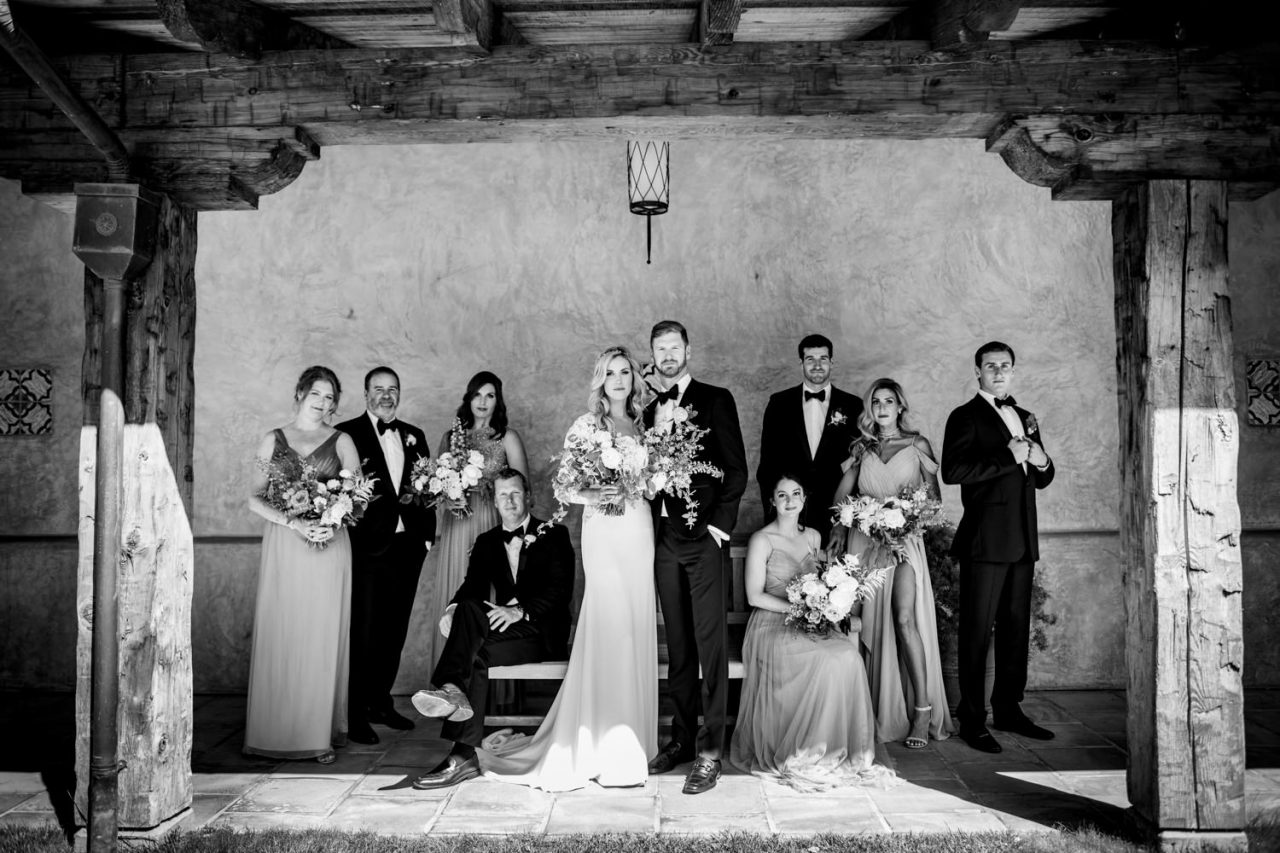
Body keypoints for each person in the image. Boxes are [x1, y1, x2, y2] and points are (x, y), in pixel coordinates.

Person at [477, 346, 658, 790]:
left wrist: (649, 481)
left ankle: (633, 736)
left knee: (634, 623)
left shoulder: (645, 425)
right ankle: (599, 739)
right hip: (604, 531)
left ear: (634, 379)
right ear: (601, 380)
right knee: (608, 620)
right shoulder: (586, 425)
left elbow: (653, 485)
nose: (619, 380)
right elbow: (563, 485)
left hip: (638, 528)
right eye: (610, 373)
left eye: (625, 372)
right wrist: (595, 494)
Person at [408, 468, 575, 788]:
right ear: (495, 502)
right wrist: (451, 611)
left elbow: (560, 590)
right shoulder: (486, 542)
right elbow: (472, 587)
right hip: (504, 634)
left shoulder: (554, 534)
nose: (510, 501)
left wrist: (519, 611)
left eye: (515, 493)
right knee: (469, 617)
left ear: (528, 497)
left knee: (473, 646)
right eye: (503, 495)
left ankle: (456, 724)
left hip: (541, 633)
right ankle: (460, 740)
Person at [730, 475, 892, 792]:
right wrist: (798, 609)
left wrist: (826, 603)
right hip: (772, 623)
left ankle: (836, 746)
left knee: (848, 657)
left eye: (796, 493)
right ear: (772, 501)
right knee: (822, 661)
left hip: (810, 620)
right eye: (782, 495)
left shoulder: (814, 536)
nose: (790, 500)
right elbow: (754, 596)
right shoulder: (762, 539)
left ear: (804, 499)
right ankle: (807, 748)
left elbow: (820, 581)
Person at [644, 320, 748, 795]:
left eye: (674, 347)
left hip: (705, 540)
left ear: (688, 350)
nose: (668, 355)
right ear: (653, 355)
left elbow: (736, 469)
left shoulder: (716, 399)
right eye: (660, 349)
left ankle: (710, 753)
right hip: (665, 539)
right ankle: (681, 740)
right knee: (680, 648)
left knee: (710, 648)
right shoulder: (648, 410)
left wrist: (717, 530)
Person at [941, 341, 1055, 754]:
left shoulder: (1025, 416)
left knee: (1015, 631)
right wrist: (1008, 457)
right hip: (985, 542)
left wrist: (1041, 460)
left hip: (1023, 541)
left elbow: (1041, 478)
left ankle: (1008, 708)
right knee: (976, 632)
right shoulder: (964, 416)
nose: (999, 372)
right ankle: (972, 719)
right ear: (978, 371)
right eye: (991, 366)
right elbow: (953, 471)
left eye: (1005, 366)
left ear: (1013, 371)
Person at [828, 379, 954, 749]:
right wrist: (842, 526)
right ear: (869, 409)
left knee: (904, 619)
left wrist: (903, 520)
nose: (882, 407)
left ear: (900, 406)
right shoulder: (861, 448)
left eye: (889, 401)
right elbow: (841, 497)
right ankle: (870, 708)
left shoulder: (917, 445)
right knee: (866, 624)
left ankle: (922, 710)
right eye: (876, 401)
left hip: (904, 545)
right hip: (865, 545)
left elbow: (933, 503)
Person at [244, 365, 360, 763]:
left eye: (330, 398)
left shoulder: (342, 440)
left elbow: (356, 495)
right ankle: (273, 732)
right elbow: (254, 498)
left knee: (320, 634)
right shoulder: (272, 439)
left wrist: (332, 519)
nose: (323, 403)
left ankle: (317, 734)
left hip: (329, 545)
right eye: (316, 394)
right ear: (299, 393)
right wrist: (293, 522)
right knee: (283, 631)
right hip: (286, 543)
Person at [336, 366, 436, 744]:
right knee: (362, 632)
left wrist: (425, 539)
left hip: (407, 548)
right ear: (366, 394)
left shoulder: (415, 435)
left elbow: (427, 490)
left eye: (392, 389)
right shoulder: (347, 433)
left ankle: (381, 702)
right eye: (378, 389)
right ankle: (355, 712)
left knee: (394, 630)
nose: (386, 395)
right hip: (365, 549)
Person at [425, 371, 529, 667]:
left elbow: (523, 488)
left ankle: (487, 679)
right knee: (458, 585)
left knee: (490, 588)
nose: (483, 401)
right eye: (477, 395)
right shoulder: (451, 438)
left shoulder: (507, 437)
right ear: (468, 398)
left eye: (490, 395)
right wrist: (449, 499)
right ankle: (450, 676)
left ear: (498, 401)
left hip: (493, 521)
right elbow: (437, 487)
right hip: (458, 523)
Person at [756, 333, 863, 541]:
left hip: (836, 515)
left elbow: (859, 467)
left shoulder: (853, 406)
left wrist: (845, 520)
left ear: (832, 362)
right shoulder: (779, 403)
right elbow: (768, 465)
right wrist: (774, 515)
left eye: (823, 358)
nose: (817, 365)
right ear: (801, 363)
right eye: (810, 359)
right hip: (789, 513)